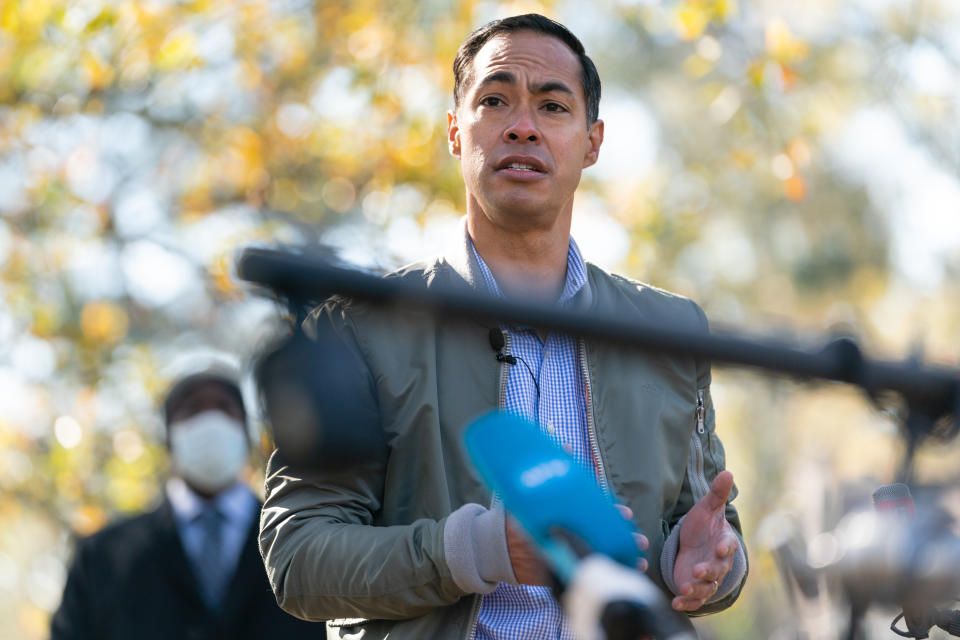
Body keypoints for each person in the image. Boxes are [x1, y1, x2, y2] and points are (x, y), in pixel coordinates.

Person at [259, 13, 747, 640]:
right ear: (456, 131)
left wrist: (705, 564)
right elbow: (297, 557)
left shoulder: (670, 333)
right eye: (495, 100)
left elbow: (712, 531)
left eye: (552, 106)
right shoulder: (357, 327)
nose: (522, 125)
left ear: (592, 142)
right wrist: (478, 550)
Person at [50, 369, 321, 640]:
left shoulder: (302, 542)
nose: (211, 422)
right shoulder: (103, 557)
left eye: (225, 408)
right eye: (192, 409)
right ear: (169, 437)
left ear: (245, 433)